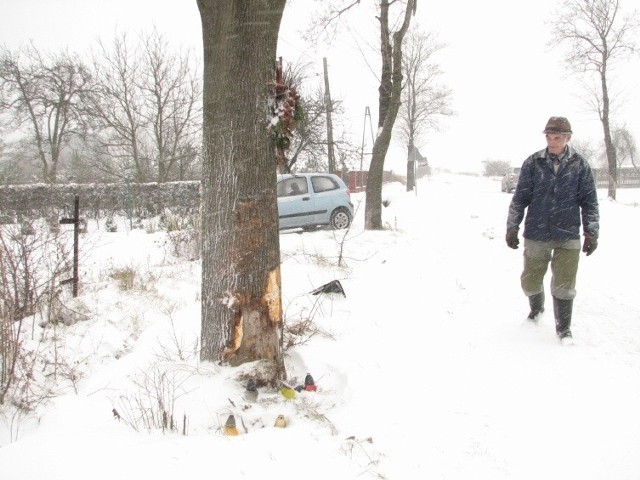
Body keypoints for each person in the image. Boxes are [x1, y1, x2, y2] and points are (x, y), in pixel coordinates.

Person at [505, 116, 599, 344]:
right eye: (549, 137)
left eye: (557, 137)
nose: (552, 141)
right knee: (529, 282)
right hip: (537, 232)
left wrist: (591, 232)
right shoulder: (533, 163)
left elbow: (589, 201)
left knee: (565, 286)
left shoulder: (579, 164)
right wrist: (512, 226)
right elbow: (520, 198)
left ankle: (564, 330)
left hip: (567, 234)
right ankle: (536, 309)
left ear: (568, 137)